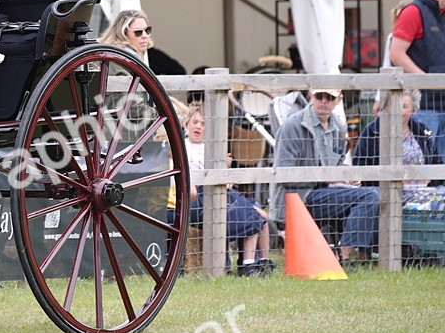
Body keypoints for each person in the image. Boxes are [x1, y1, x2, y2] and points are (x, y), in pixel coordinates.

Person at [270, 88, 380, 261]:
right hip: (298, 197)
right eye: (319, 96)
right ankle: (344, 257)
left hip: (324, 193)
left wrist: (348, 174)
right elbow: (283, 174)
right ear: (311, 97)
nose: (324, 101)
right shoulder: (292, 125)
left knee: (376, 193)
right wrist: (328, 177)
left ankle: (358, 254)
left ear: (339, 100)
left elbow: (337, 164)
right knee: (370, 196)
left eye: (330, 97)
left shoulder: (339, 127)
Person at [184, 103, 274, 275]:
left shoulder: (213, 148)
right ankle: (248, 265)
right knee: (254, 215)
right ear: (186, 124)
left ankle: (262, 262)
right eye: (195, 122)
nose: (198, 126)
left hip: (224, 193)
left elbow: (227, 183)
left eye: (203, 124)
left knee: (262, 214)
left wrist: (224, 169)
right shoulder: (182, 148)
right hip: (201, 198)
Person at [388, 0, 445, 158]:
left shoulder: (440, 14)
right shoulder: (413, 12)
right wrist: (425, 80)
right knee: (424, 161)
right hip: (425, 106)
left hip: (439, 103)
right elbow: (396, 54)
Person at [353, 89, 443, 210]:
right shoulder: (371, 131)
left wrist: (428, 177)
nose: (398, 111)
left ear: (413, 109)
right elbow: (360, 168)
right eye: (395, 106)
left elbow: (437, 165)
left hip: (425, 191)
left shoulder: (422, 131)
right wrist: (396, 179)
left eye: (404, 106)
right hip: (387, 196)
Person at [98, 9, 187, 75]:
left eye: (147, 30)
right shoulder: (127, 58)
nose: (145, 35)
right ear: (123, 34)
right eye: (138, 32)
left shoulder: (112, 55)